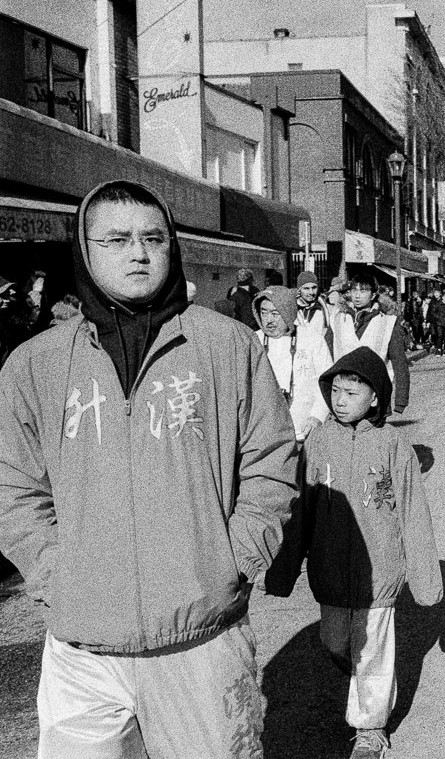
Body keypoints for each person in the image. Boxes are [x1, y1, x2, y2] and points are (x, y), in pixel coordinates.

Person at [0, 180, 298, 756]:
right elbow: (13, 485)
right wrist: (54, 575)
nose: (138, 252)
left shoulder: (228, 347)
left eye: (152, 238)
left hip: (200, 637)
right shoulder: (35, 365)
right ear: (84, 250)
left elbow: (272, 461)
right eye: (115, 239)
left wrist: (235, 558)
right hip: (84, 648)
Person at [301, 347, 443, 759]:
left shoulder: (392, 443)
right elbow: (302, 507)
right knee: (334, 641)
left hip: (379, 573)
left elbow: (413, 512)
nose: (340, 400)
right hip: (329, 572)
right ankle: (366, 686)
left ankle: (370, 729)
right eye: (336, 392)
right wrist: (284, 564)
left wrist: (425, 578)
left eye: (351, 393)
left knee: (374, 653)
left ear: (375, 398)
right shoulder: (319, 439)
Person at [253, 285, 332, 441]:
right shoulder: (252, 340)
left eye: (275, 313)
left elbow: (327, 380)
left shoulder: (312, 339)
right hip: (263, 432)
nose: (269, 320)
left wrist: (317, 415)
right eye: (264, 312)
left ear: (288, 312)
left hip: (303, 429)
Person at [330, 273, 410, 416]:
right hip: (344, 394)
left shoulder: (387, 322)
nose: (357, 296)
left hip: (375, 394)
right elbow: (327, 355)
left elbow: (400, 362)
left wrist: (401, 399)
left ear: (373, 295)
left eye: (363, 291)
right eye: (354, 290)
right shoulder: (338, 318)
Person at [295, 270, 333, 352]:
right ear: (299, 290)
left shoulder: (324, 308)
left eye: (314, 288)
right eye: (306, 288)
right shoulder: (293, 308)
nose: (311, 292)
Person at [429, 291, 445, 355]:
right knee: (440, 336)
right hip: (440, 323)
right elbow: (432, 312)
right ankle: (439, 349)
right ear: (443, 298)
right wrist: (438, 317)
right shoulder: (438, 304)